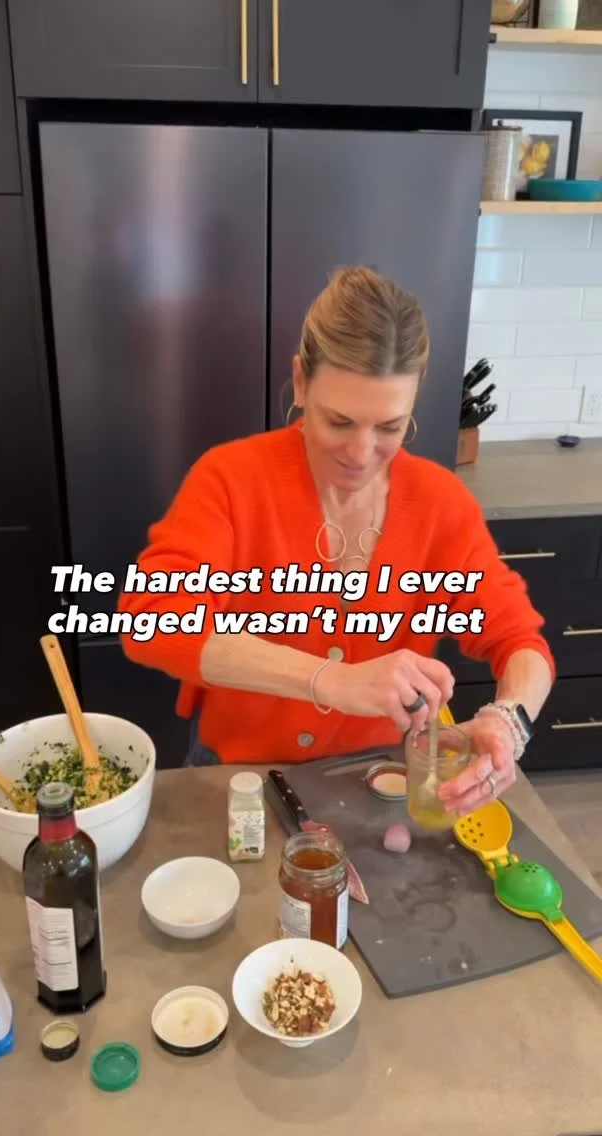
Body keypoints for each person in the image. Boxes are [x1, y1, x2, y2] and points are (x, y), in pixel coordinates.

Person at [118, 266, 555, 817]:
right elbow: (152, 621)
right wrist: (332, 680)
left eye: (390, 427)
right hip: (238, 777)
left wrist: (508, 721)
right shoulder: (231, 480)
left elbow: (520, 640)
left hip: (376, 781)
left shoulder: (441, 503)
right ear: (301, 382)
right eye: (339, 421)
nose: (361, 453)